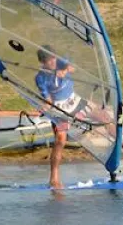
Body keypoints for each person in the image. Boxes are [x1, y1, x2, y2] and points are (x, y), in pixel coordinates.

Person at [33, 47, 117, 189]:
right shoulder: (40, 78)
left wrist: (63, 71)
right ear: (42, 62)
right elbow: (48, 98)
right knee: (60, 140)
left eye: (53, 58)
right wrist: (45, 107)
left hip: (75, 100)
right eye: (48, 61)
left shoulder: (60, 61)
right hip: (60, 109)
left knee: (104, 116)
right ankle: (54, 178)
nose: (52, 62)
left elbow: (72, 68)